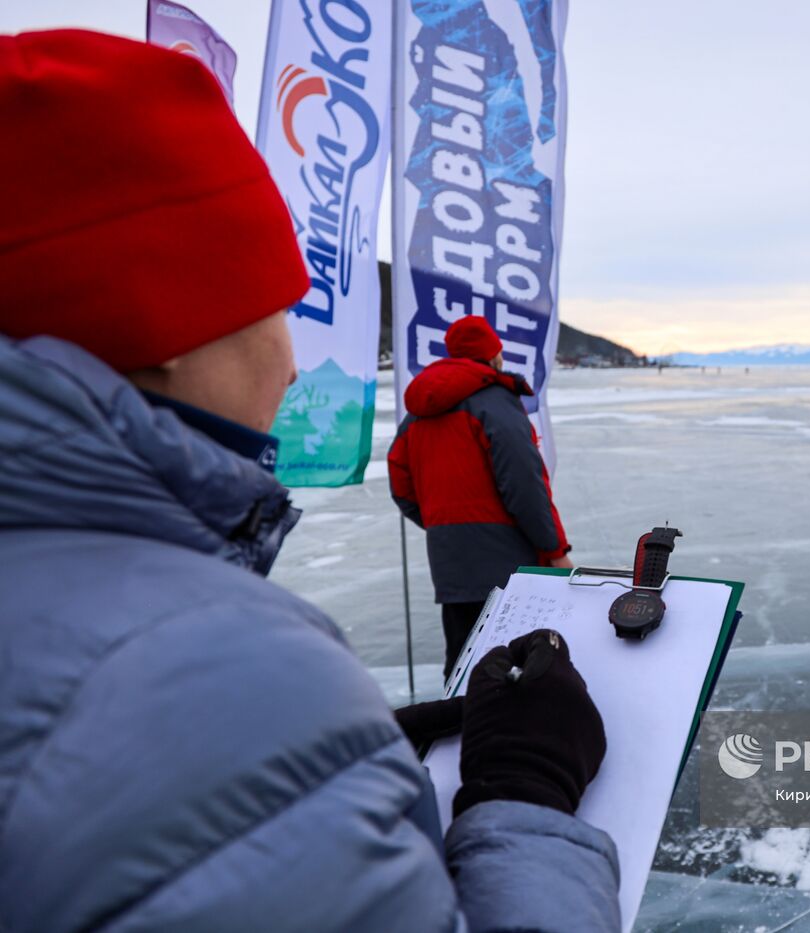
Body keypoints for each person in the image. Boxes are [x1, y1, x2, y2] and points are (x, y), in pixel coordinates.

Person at [0, 30, 618, 933]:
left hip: (447, 548)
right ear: (166, 320)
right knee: (511, 678)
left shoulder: (421, 409)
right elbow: (522, 482)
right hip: (503, 552)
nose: (291, 368)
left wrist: (336, 770)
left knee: (466, 658)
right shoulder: (219, 674)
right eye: (275, 307)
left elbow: (405, 477)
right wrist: (524, 793)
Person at [389, 316, 573, 679]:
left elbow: (401, 484)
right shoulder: (495, 402)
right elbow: (524, 484)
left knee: (463, 665)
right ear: (494, 355)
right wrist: (555, 549)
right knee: (518, 667)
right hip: (508, 563)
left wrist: (444, 525)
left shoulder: (419, 413)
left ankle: (460, 734)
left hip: (450, 561)